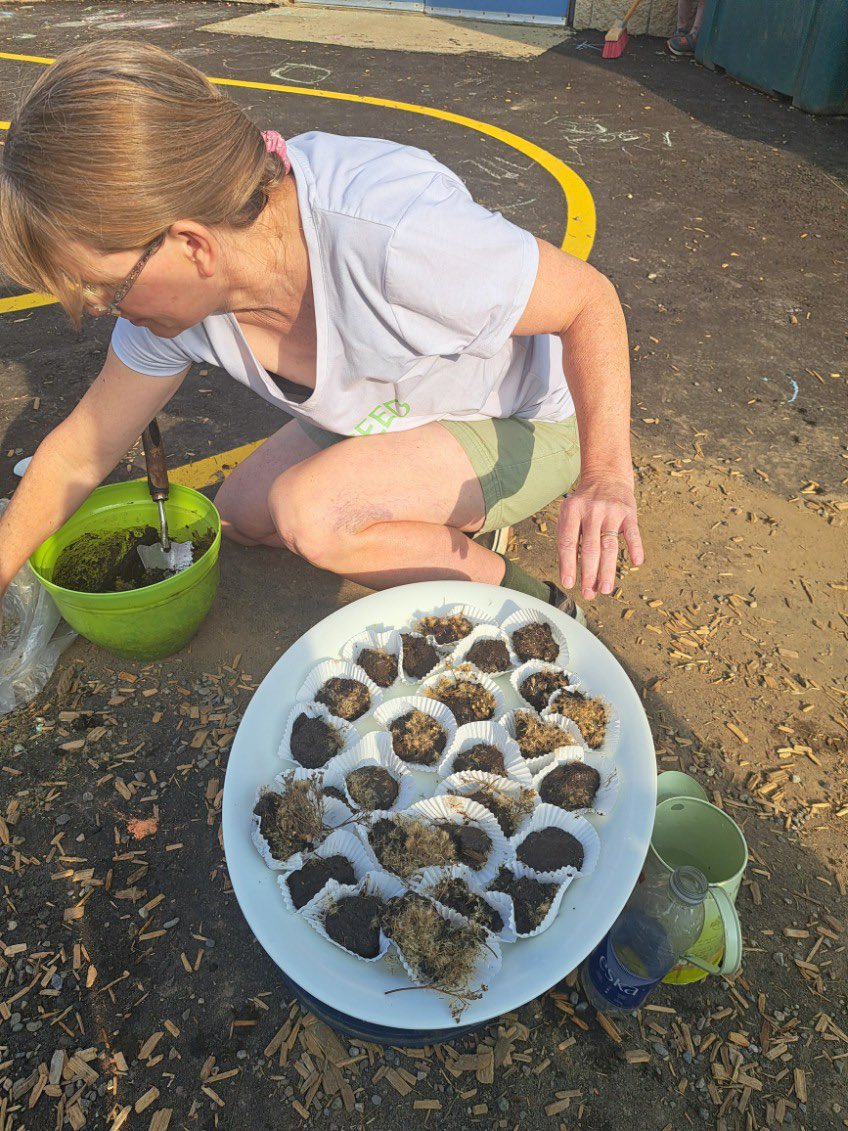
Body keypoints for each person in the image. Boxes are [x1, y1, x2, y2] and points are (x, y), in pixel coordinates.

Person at [0, 40, 643, 630]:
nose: (91, 314)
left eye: (104, 290)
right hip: (389, 413)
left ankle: (537, 604)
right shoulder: (176, 305)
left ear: (192, 246)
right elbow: (81, 451)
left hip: (525, 420)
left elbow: (590, 301)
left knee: (312, 512)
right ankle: (413, 504)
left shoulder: (393, 233)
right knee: (241, 514)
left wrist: (607, 473)